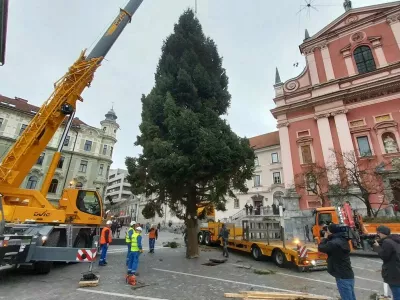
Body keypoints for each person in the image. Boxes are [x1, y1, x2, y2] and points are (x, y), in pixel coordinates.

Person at [318, 223, 355, 300]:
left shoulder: (334, 243)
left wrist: (325, 238)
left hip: (342, 276)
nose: (326, 232)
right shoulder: (342, 240)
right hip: (348, 274)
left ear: (331, 232)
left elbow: (321, 248)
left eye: (327, 231)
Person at [373, 225, 400, 299]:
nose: (377, 235)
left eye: (378, 233)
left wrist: (377, 247)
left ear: (381, 233)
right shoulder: (396, 240)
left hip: (394, 274)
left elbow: (384, 256)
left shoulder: (387, 242)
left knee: (397, 295)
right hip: (398, 270)